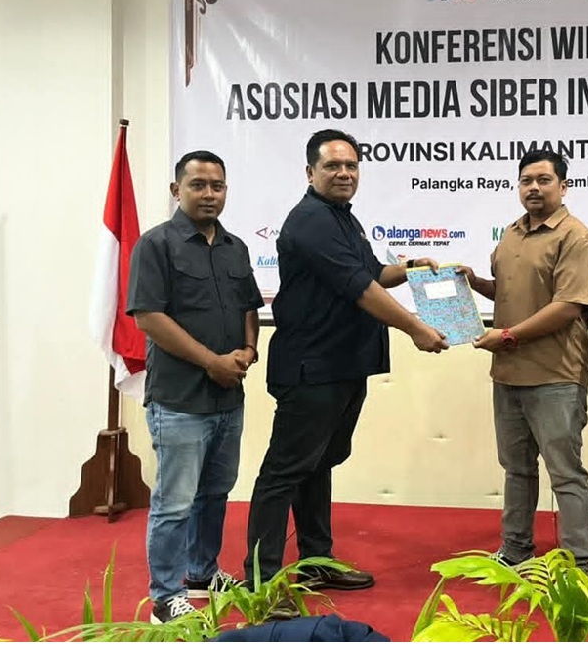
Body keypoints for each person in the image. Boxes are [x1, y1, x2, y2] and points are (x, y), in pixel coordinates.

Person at [244, 128, 448, 610]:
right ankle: (262, 583)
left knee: (317, 466)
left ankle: (316, 560)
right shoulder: (311, 220)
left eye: (351, 165)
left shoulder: (342, 218)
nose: (343, 173)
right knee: (284, 472)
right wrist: (415, 328)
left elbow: (373, 273)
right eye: (333, 166)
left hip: (342, 366)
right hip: (311, 368)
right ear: (310, 172)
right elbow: (360, 288)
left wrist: (412, 268)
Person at [127, 150, 264, 624]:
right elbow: (148, 316)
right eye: (198, 185)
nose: (209, 194)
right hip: (180, 399)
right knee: (174, 503)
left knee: (215, 492)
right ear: (176, 190)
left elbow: (249, 306)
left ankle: (201, 574)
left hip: (228, 396)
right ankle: (165, 597)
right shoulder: (155, 245)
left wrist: (249, 350)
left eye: (217, 186)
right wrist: (211, 362)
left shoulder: (235, 247)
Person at [459, 149, 588, 573]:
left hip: (556, 374)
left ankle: (577, 562)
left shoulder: (576, 237)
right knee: (516, 469)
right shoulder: (511, 233)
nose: (534, 188)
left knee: (565, 473)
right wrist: (473, 282)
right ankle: (516, 548)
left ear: (563, 186)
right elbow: (507, 291)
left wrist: (508, 336)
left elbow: (568, 306)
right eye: (526, 181)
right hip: (508, 373)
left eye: (543, 180)